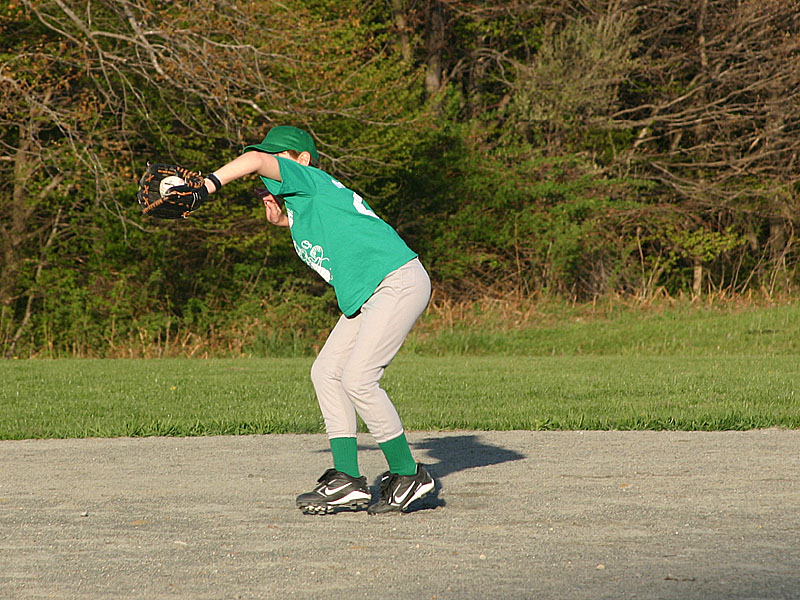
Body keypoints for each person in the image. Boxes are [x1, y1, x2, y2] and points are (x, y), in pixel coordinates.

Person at [174, 125, 435, 515]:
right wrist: (284, 221)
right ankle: (347, 479)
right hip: (372, 292)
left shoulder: (311, 178)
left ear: (302, 160)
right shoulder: (306, 203)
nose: (269, 170)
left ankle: (409, 473)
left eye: (280, 158)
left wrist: (208, 184)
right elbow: (329, 228)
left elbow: (256, 161)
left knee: (359, 378)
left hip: (395, 281)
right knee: (327, 372)